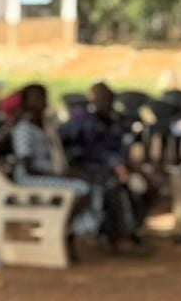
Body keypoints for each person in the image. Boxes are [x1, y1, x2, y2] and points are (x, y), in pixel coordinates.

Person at [60, 82, 156, 250]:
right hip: (87, 169)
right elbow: (73, 148)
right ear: (91, 101)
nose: (105, 104)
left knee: (151, 185)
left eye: (109, 100)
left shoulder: (114, 121)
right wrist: (116, 166)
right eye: (101, 100)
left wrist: (132, 168)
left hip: (114, 169)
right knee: (114, 186)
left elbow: (122, 150)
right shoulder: (80, 121)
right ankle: (118, 237)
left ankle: (132, 230)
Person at [12, 83, 98, 246]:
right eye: (36, 99)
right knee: (81, 189)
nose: (42, 102)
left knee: (85, 183)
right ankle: (62, 231)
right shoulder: (24, 129)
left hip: (46, 174)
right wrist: (61, 176)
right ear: (26, 103)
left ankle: (69, 230)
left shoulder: (45, 126)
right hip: (30, 178)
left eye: (43, 98)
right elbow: (28, 168)